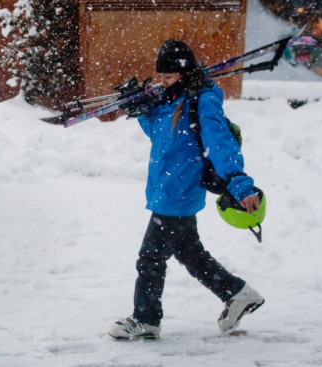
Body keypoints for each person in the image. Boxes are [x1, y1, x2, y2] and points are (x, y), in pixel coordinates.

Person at [108, 39, 264, 340]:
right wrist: (142, 110)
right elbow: (160, 135)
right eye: (161, 77)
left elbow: (222, 145)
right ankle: (237, 293)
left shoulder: (202, 101)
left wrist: (241, 185)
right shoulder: (170, 99)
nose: (163, 83)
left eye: (169, 77)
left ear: (184, 73)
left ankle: (146, 319)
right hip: (166, 189)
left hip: (178, 193)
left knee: (150, 259)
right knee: (191, 254)